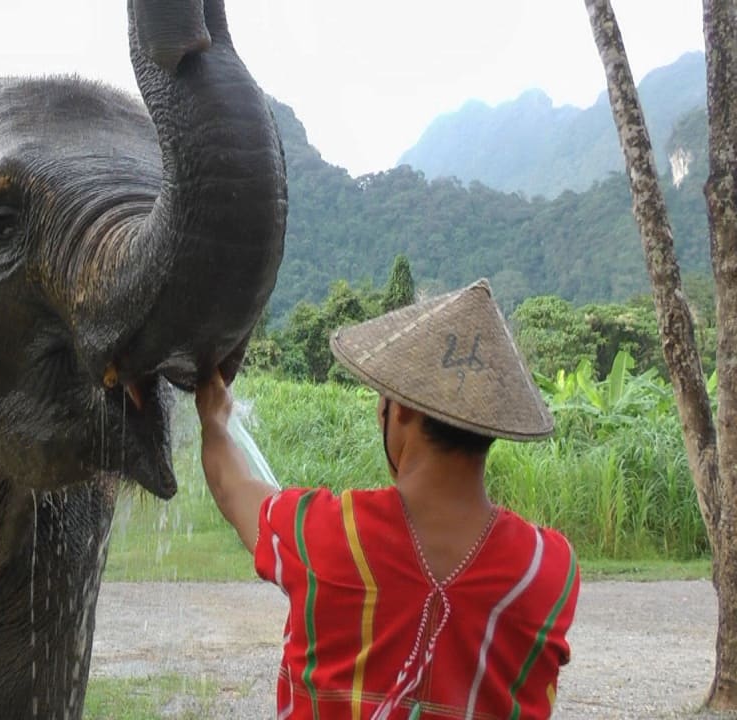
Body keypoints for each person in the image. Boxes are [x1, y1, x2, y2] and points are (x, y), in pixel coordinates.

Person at [195, 279, 579, 720]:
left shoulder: (326, 535)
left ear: (403, 408)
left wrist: (215, 418)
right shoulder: (549, 569)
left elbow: (231, 487)